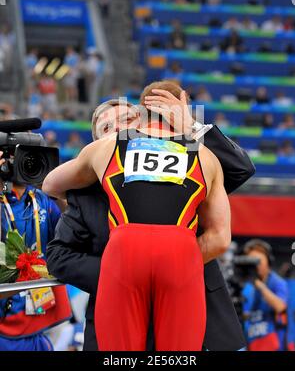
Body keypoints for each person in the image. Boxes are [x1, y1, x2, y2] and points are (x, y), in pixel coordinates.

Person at [47, 94, 254, 351]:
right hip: (115, 312)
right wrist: (121, 272)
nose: (119, 129)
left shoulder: (188, 157)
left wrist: (190, 126)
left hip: (188, 307)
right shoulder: (85, 193)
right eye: (107, 128)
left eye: (127, 119)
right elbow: (58, 256)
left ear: (146, 124)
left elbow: (240, 169)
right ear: (98, 142)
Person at [0, 154, 72, 351]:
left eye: (29, 154)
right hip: (5, 311)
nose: (26, 162)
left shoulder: (42, 199)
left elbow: (70, 235)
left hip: (39, 311)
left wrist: (60, 193)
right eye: (15, 156)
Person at [242, 239, 294, 351]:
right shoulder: (247, 286)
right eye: (250, 261)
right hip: (253, 343)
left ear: (268, 261)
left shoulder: (278, 282)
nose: (255, 265)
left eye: (258, 260)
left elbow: (281, 306)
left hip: (276, 345)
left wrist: (260, 286)